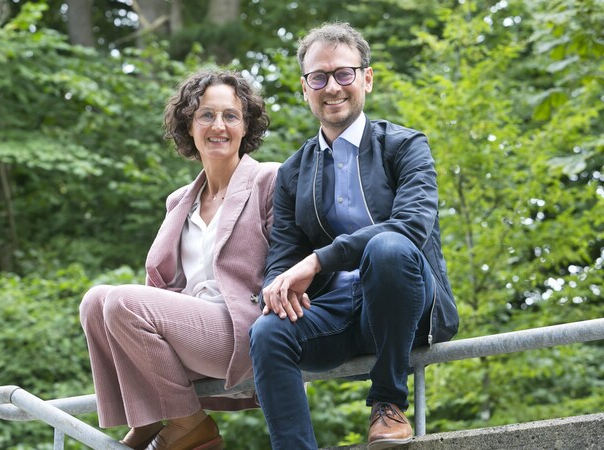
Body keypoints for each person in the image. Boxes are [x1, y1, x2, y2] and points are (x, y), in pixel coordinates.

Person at [248, 21, 460, 450]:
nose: (332, 87)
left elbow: (410, 227)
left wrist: (318, 260)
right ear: (304, 88)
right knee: (267, 331)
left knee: (386, 248)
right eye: (318, 77)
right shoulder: (292, 172)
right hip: (337, 316)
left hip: (405, 304)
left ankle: (387, 404)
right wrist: (277, 288)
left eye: (344, 73)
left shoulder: (405, 146)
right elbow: (283, 253)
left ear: (366, 77)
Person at [80, 69, 279, 450]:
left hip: (242, 328)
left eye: (231, 116)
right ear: (188, 125)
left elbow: (289, 257)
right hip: (186, 330)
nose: (218, 125)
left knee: (123, 300)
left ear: (245, 126)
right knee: (94, 301)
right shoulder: (179, 200)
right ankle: (151, 417)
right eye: (206, 114)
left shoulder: (269, 179)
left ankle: (190, 425)